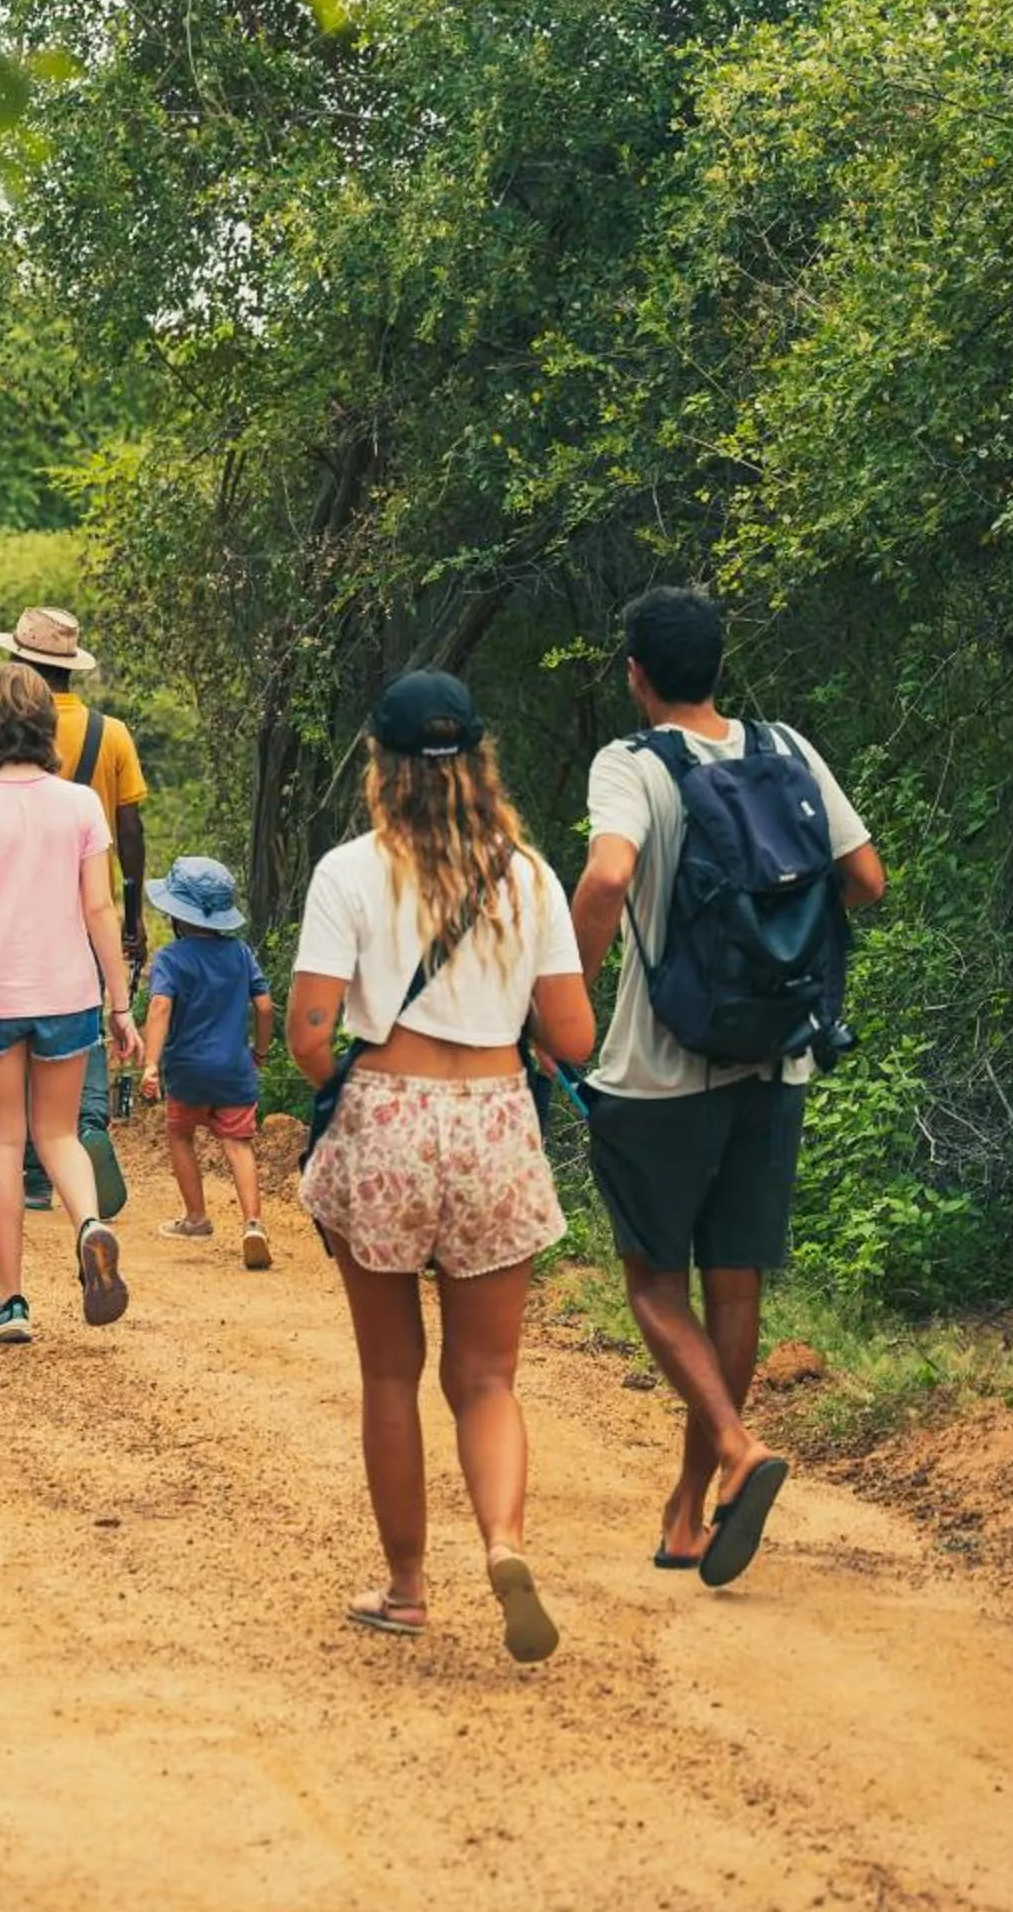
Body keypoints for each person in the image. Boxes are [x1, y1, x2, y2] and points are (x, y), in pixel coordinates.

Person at [570, 586, 886, 1589]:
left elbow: (609, 877)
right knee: (734, 1282)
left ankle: (738, 1455)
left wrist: (563, 994)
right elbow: (868, 877)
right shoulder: (785, 746)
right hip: (776, 1059)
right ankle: (688, 1510)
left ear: (637, 675)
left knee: (656, 1288)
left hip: (659, 1072)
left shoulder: (631, 764)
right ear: (720, 663)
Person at [288, 670, 594, 1663]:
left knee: (391, 1369)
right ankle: (504, 1541)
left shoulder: (348, 872)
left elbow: (306, 1034)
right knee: (490, 1374)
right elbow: (574, 1034)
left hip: (387, 1117)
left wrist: (352, 1077)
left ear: (380, 762)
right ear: (477, 762)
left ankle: (409, 1585)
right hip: (498, 1121)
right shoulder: (531, 877)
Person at [0, 662, 145, 1342]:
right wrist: (120, 1002)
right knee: (57, 1133)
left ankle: (10, 1300)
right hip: (68, 993)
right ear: (44, 724)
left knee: (3, 1138)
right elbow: (99, 906)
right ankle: (89, 1224)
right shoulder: (80, 804)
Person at [0, 606, 148, 1213]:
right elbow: (130, 827)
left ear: (19, 663)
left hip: (12, 923)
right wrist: (134, 918)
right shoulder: (110, 733)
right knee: (85, 1034)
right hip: (85, 917)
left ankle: (35, 1177)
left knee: (14, 1048)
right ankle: (84, 1134)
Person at [137, 856, 275, 1270]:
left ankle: (196, 1218)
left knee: (181, 1134)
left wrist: (150, 1065)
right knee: (238, 1143)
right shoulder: (240, 954)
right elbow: (265, 1007)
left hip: (187, 1071)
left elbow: (161, 1007)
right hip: (235, 1069)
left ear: (177, 915)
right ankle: (253, 1223)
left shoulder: (171, 958)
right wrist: (261, 1053)